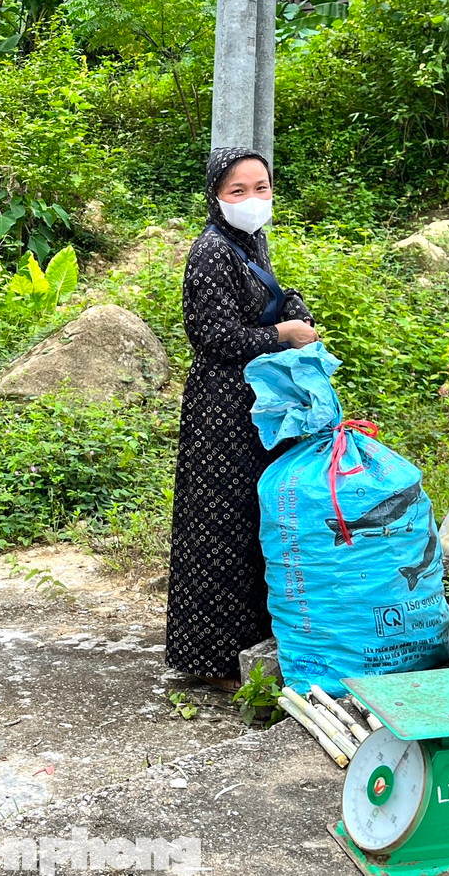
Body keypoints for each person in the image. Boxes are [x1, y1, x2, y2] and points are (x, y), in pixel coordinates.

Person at [165, 147, 319, 692]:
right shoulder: (210, 251)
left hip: (253, 406)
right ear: (216, 197)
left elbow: (261, 302)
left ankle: (246, 644)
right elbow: (216, 338)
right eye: (238, 191)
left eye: (262, 188)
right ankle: (212, 658)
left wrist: (293, 312)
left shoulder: (248, 241)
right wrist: (284, 335)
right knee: (220, 529)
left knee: (252, 524)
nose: (253, 200)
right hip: (220, 411)